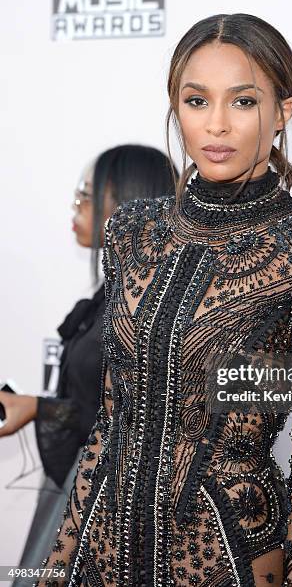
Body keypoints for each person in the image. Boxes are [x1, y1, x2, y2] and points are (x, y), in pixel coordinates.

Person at [36, 14, 292, 587]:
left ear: (283, 112)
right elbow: (109, 429)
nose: (216, 125)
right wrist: (57, 566)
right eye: (195, 100)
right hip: (102, 550)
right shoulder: (132, 231)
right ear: (174, 107)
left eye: (242, 102)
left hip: (225, 559)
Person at [0, 144, 175, 584]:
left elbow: (132, 425)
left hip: (106, 505)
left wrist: (38, 408)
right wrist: (35, 405)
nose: (76, 207)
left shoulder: (150, 311)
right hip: (79, 486)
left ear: (129, 205)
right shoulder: (111, 296)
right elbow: (94, 409)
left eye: (86, 195)